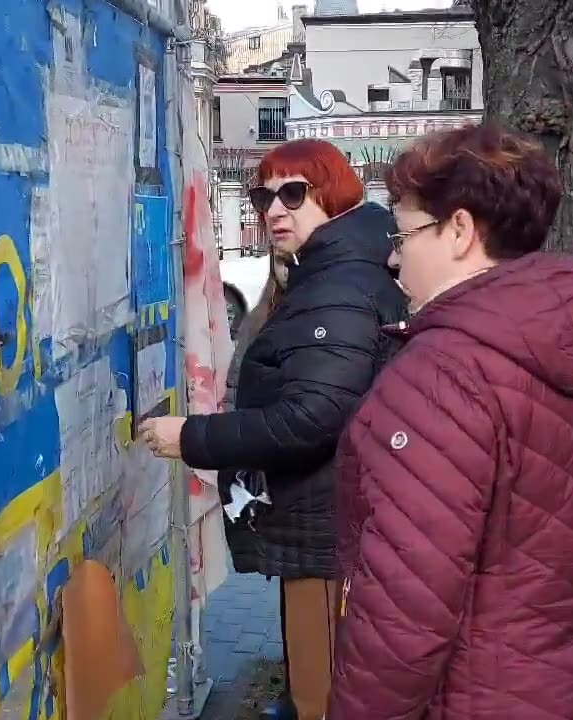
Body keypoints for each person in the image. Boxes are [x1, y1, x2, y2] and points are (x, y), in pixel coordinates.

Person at [326, 124, 573, 719]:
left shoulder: (442, 376)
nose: (394, 258)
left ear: (459, 231)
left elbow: (404, 615)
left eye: (404, 234)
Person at [138, 139, 408, 720]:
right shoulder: (331, 273)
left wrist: (191, 437)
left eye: (293, 193)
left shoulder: (337, 286)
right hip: (327, 525)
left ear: (333, 195)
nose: (273, 210)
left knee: (324, 697)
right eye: (264, 195)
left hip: (327, 534)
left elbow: (311, 418)